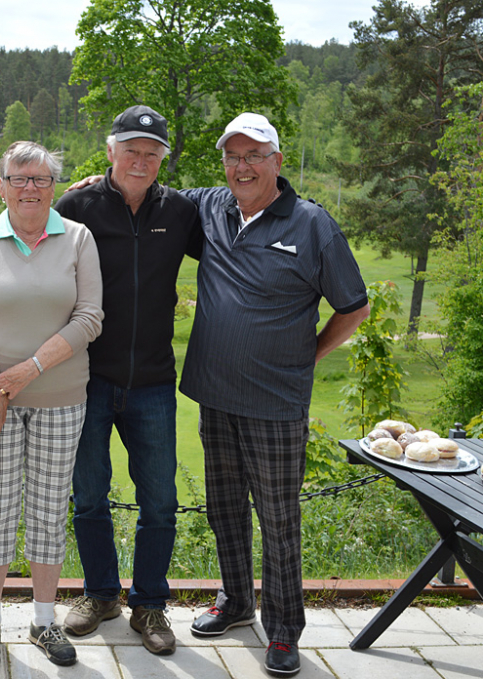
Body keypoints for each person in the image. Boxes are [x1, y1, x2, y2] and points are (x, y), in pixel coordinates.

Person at [180, 113, 370, 677]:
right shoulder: (211, 206)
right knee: (224, 509)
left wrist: (307, 355)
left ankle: (284, 630)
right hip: (214, 394)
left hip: (276, 403)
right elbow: (150, 192)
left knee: (279, 520)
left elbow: (354, 307)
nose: (242, 166)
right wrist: (98, 183)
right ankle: (237, 601)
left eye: (254, 156)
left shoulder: (312, 225)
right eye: (232, 156)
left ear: (277, 163)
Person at [54, 105, 201, 656]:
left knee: (159, 500)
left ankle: (149, 604)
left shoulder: (181, 211)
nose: (141, 160)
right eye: (131, 149)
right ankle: (100, 595)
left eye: (152, 152)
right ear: (110, 150)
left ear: (163, 158)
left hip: (155, 383)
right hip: (87, 377)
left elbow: (230, 232)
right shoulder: (77, 206)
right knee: (88, 496)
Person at [0, 141, 103, 669]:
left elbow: (89, 318)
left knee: (46, 513)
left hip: (61, 400)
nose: (30, 188)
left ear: (54, 187)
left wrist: (29, 370)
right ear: (2, 186)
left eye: (40, 179)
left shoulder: (78, 239)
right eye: (19, 178)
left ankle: (42, 620)